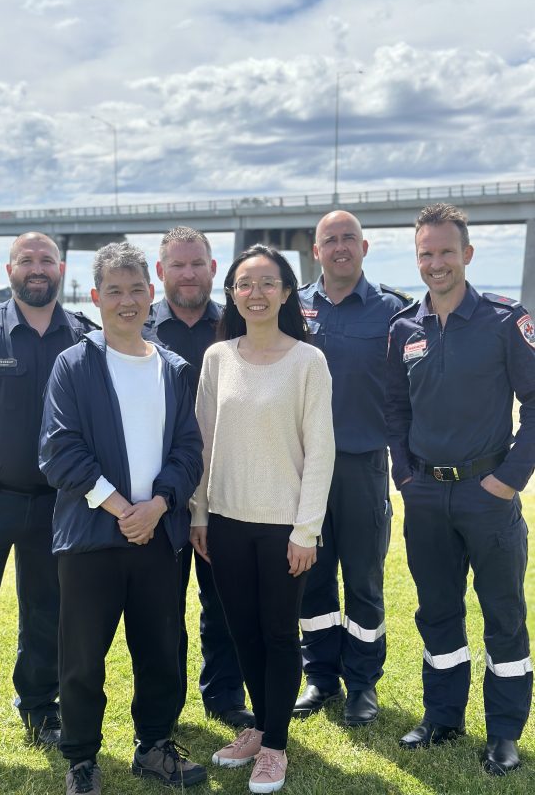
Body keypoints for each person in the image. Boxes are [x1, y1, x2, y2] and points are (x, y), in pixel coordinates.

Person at [39, 242, 207, 795]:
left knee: (161, 648)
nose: (128, 301)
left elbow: (188, 450)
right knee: (83, 656)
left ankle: (154, 746)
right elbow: (60, 451)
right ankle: (82, 758)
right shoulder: (74, 364)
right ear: (95, 297)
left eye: (137, 289)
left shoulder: (174, 369)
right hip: (91, 538)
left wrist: (157, 506)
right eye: (115, 290)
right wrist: (122, 509)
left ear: (151, 294)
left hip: (158, 537)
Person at [0, 232, 98, 772]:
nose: (36, 268)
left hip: (57, 505)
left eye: (45, 260)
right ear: (9, 269)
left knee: (49, 615)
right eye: (26, 259)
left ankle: (39, 709)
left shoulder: (83, 338)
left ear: (61, 268)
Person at [386, 203, 533, 775]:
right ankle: (443, 717)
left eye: (447, 251)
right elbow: (394, 409)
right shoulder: (404, 327)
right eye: (427, 253)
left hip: (488, 495)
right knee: (438, 612)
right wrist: (404, 475)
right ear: (417, 257)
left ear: (468, 254)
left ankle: (503, 733)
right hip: (426, 497)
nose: (436, 263)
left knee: (503, 616)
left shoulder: (504, 319)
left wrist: (508, 480)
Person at [190, 245, 334, 793]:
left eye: (267, 283)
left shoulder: (308, 361)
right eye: (245, 284)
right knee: (242, 629)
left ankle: (274, 746)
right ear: (231, 293)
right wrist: (199, 512)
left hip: (283, 526)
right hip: (224, 521)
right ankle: (262, 725)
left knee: (277, 633)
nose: (256, 293)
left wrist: (306, 529)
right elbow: (202, 442)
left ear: (287, 291)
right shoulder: (217, 358)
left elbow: (321, 450)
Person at [294, 211, 411, 725]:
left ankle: (363, 683)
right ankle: (321, 676)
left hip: (362, 466)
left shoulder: (394, 309)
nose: (339, 247)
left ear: (364, 247)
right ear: (315, 251)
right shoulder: (290, 306)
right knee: (311, 578)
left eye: (348, 239)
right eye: (329, 240)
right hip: (300, 471)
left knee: (363, 578)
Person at [143, 225, 252, 729]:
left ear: (214, 269)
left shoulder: (238, 325)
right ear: (161, 272)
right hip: (155, 492)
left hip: (224, 489)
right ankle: (164, 703)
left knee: (223, 601)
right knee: (160, 609)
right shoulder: (137, 328)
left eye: (198, 264)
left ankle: (225, 695)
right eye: (178, 265)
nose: (189, 273)